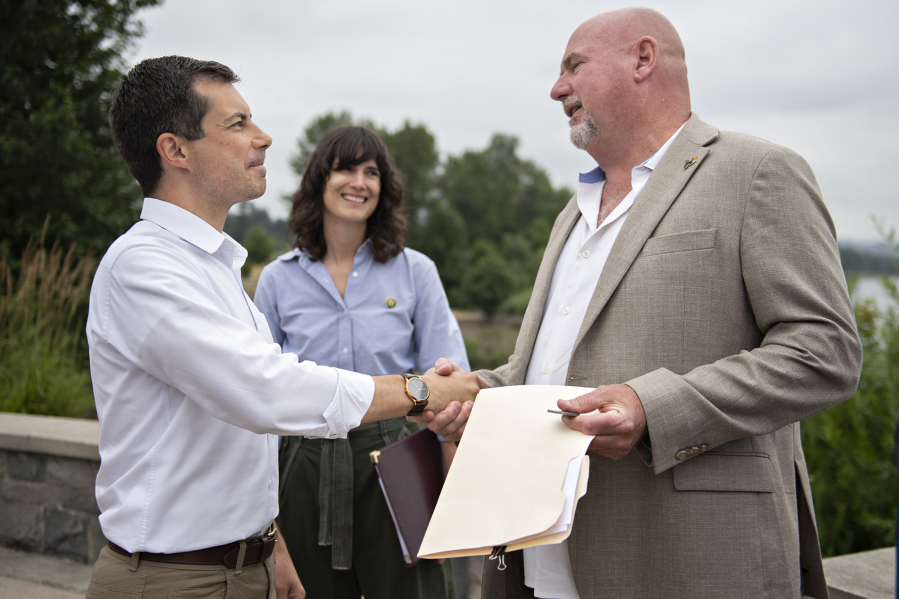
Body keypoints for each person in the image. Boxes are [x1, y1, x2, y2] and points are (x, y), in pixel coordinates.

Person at [417, 8, 863, 599]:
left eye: (574, 66)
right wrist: (478, 394)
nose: (556, 89)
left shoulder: (758, 173)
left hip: (686, 561)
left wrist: (649, 407)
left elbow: (824, 353)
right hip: (536, 565)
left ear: (643, 59)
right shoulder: (570, 216)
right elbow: (549, 375)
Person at [85, 56, 483, 599]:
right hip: (176, 577)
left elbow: (241, 436)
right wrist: (419, 389)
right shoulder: (145, 268)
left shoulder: (217, 268)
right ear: (175, 150)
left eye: (373, 172)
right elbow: (266, 391)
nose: (264, 137)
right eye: (238, 124)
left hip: (250, 558)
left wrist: (267, 545)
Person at [253, 125, 468, 599]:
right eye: (346, 168)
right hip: (304, 465)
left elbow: (452, 380)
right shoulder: (276, 280)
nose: (360, 182)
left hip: (399, 455)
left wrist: (455, 481)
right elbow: (259, 395)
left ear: (383, 188)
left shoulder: (417, 272)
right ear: (319, 181)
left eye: (371, 172)